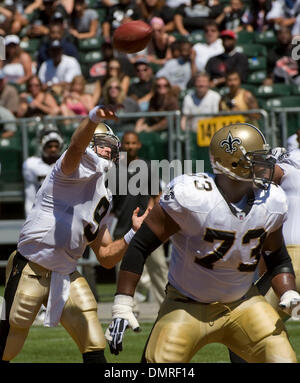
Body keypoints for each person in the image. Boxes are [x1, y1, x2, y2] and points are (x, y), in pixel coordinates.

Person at [105, 122, 300, 362]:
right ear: (234, 162)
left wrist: (288, 292)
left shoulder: (272, 201)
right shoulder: (192, 195)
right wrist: (122, 305)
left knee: (284, 358)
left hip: (243, 303)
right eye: (257, 158)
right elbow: (141, 245)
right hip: (186, 305)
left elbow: (278, 259)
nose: (266, 165)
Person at [0, 105, 149, 364]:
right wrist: (92, 118)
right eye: (101, 144)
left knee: (93, 340)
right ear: (89, 143)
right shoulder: (67, 170)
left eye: (111, 148)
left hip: (66, 273)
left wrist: (131, 235)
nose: (107, 150)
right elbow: (76, 147)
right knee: (9, 341)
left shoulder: (105, 194)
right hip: (30, 267)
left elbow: (105, 256)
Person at [228, 147, 300, 363]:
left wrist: (260, 160)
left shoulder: (293, 158)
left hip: (295, 259)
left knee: (243, 328)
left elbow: (266, 176)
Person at [112, 131, 168, 307]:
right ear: (122, 145)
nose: (130, 146)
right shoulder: (114, 169)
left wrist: (156, 219)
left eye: (133, 143)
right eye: (127, 143)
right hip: (122, 228)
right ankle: (128, 312)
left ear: (139, 145)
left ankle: (166, 307)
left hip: (147, 227)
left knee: (159, 268)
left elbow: (157, 196)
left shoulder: (147, 167)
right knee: (123, 271)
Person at [22, 126, 64, 217]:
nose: (53, 149)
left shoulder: (65, 164)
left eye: (56, 146)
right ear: (43, 146)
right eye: (50, 146)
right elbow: (30, 195)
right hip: (40, 210)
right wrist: (30, 216)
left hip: (62, 209)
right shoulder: (32, 164)